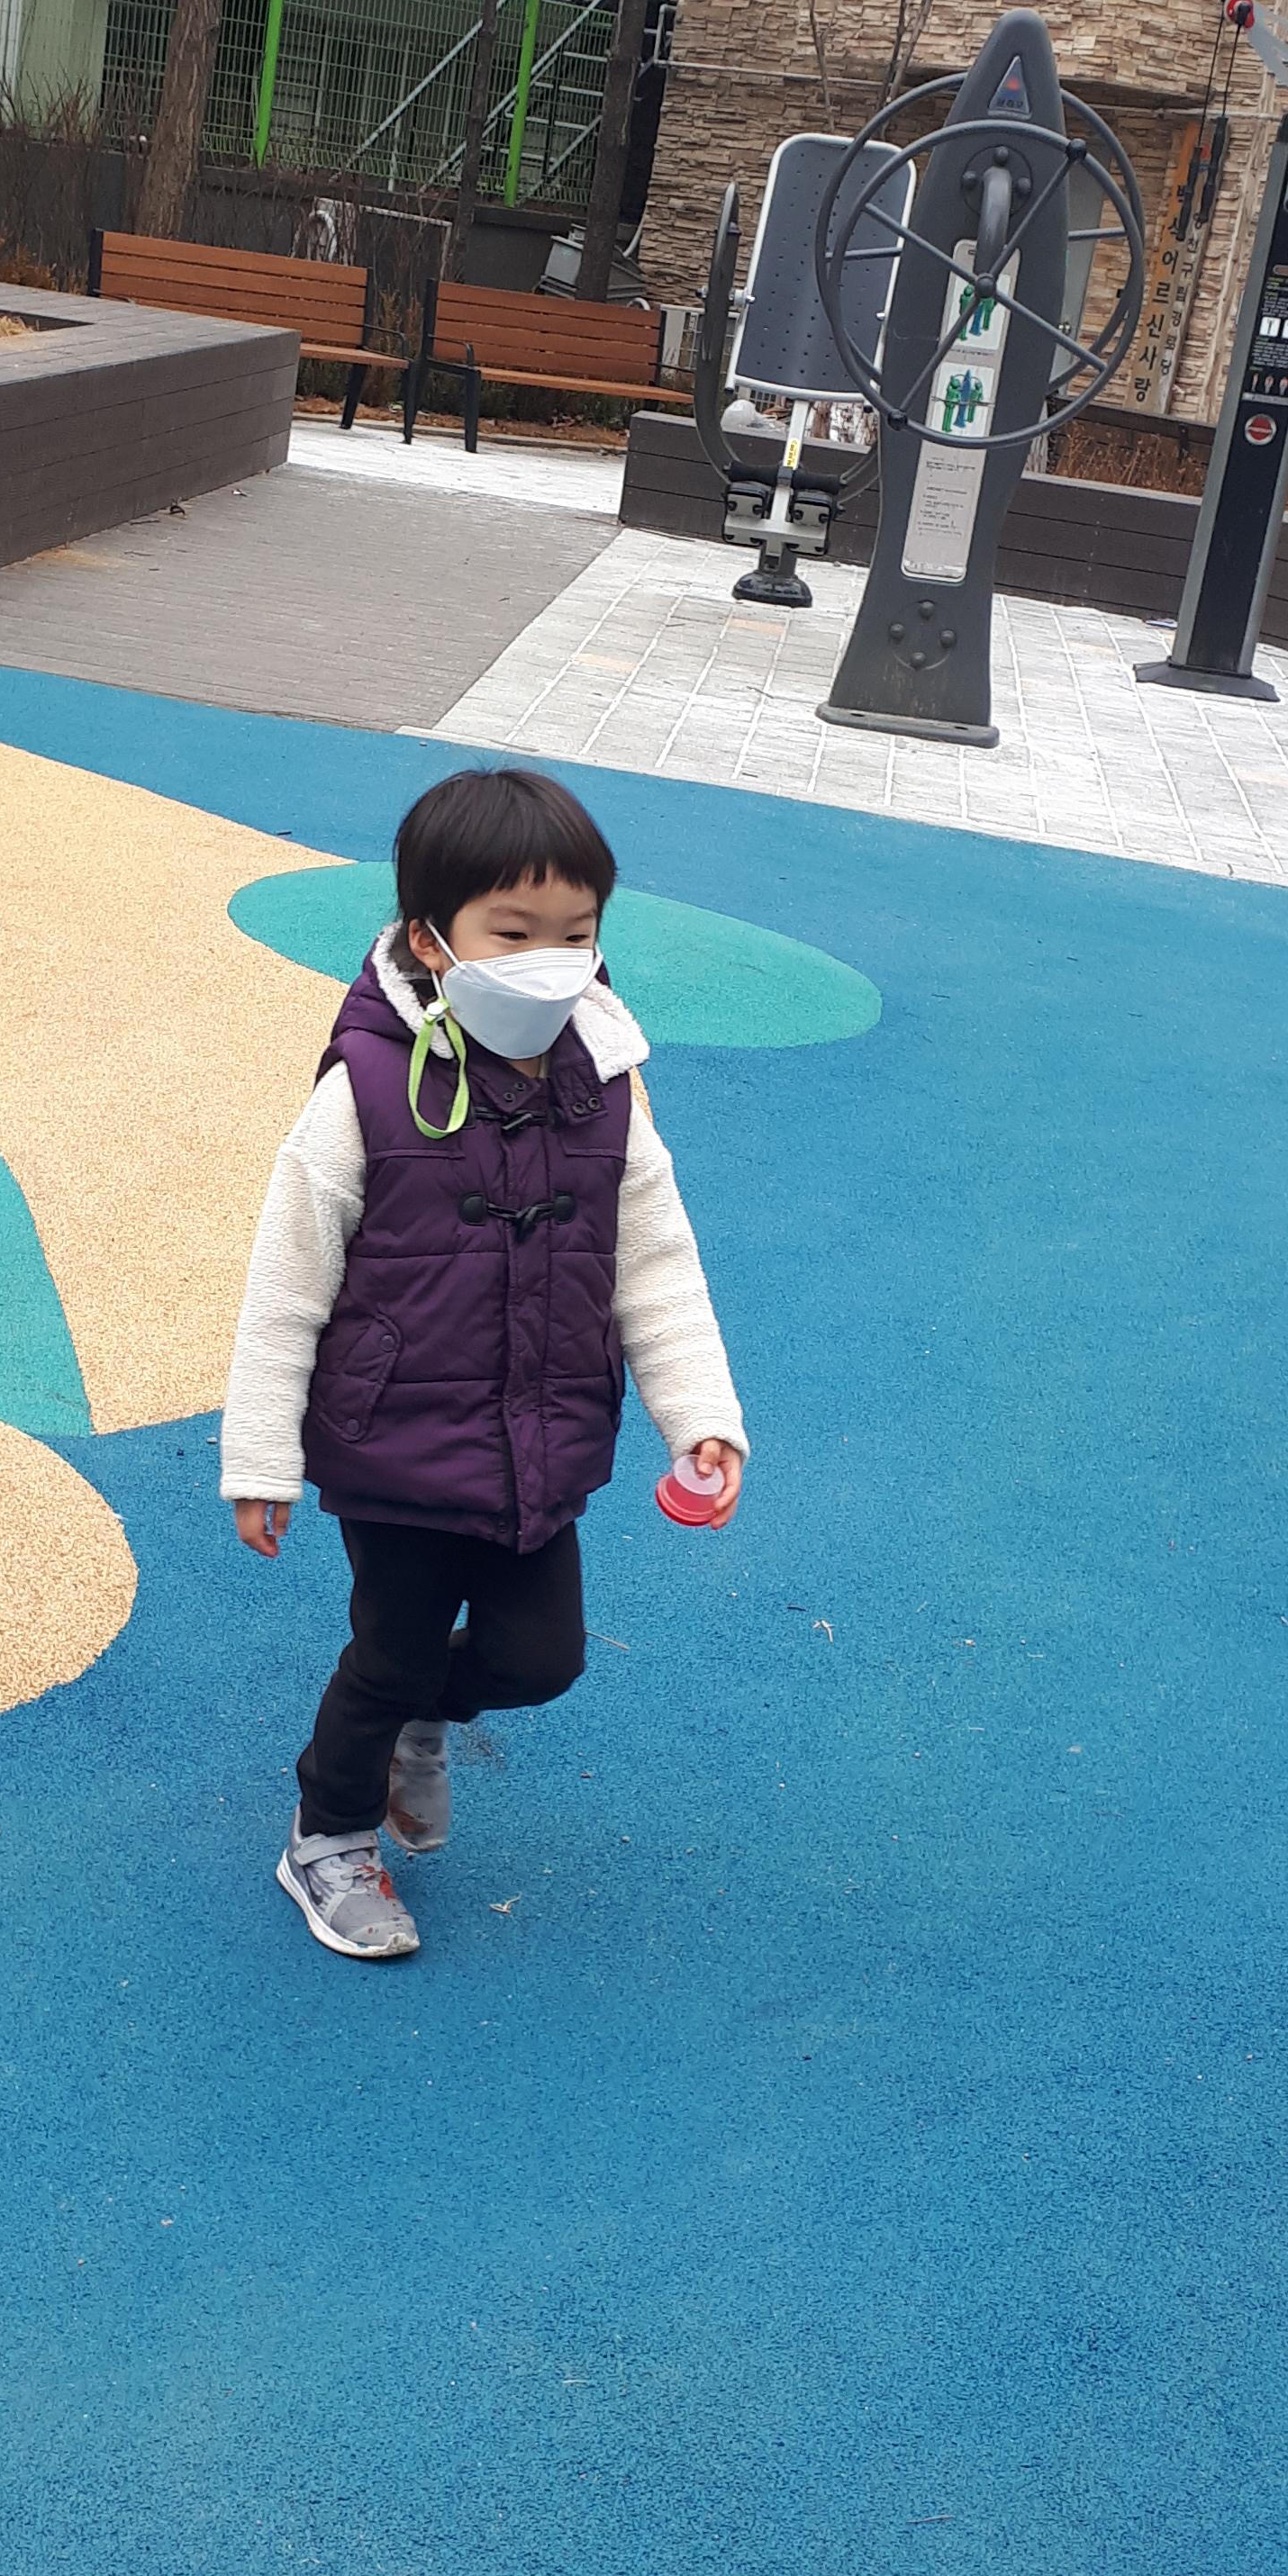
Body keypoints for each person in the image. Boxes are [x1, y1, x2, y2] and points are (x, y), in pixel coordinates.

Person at [222, 765, 748, 1962]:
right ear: (431, 939)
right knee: (391, 1650)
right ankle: (327, 1836)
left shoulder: (605, 1084)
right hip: (396, 1445)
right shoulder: (365, 1090)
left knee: (541, 1659)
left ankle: (421, 1719)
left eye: (576, 933)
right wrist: (260, 1457)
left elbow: (655, 1260)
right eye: (513, 934)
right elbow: (286, 1284)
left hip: (538, 1441)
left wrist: (700, 1416)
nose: (550, 962)